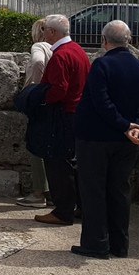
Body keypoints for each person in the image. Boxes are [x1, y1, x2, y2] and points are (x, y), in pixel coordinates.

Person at [72, 20, 139, 259]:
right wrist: (137, 127)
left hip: (95, 138)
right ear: (129, 40)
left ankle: (96, 243)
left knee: (94, 191)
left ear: (104, 41)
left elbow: (101, 102)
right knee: (119, 191)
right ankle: (119, 244)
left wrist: (124, 125)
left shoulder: (102, 65)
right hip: (127, 142)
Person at [33, 14, 91, 226]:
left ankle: (62, 210)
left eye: (45, 29)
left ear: (53, 32)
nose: (43, 33)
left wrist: (40, 98)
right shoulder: (78, 51)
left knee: (57, 162)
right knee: (73, 163)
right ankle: (80, 206)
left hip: (63, 114)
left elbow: (59, 90)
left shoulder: (61, 55)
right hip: (77, 113)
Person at [17, 18, 53, 209]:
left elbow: (38, 63)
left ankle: (39, 193)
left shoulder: (39, 46)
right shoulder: (58, 47)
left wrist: (36, 88)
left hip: (41, 102)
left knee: (35, 147)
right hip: (55, 103)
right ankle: (51, 191)